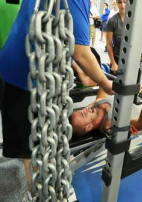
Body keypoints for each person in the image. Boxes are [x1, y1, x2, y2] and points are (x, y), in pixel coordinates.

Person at [0, 0, 114, 188]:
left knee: (38, 144)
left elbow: (66, 41)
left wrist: (82, 72)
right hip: (27, 77)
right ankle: (38, 193)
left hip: (19, 68)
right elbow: (80, 51)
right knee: (34, 153)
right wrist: (104, 82)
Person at [70, 85, 142, 136]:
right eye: (84, 114)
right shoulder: (109, 125)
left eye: (81, 110)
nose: (85, 110)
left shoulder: (97, 105)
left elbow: (103, 87)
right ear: (89, 127)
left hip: (137, 90)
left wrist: (115, 84)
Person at [106, 0, 126, 74]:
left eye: (125, 2)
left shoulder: (134, 20)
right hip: (117, 59)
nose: (122, 6)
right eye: (120, 2)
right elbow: (109, 44)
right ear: (117, 3)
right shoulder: (112, 21)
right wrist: (113, 62)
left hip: (130, 60)